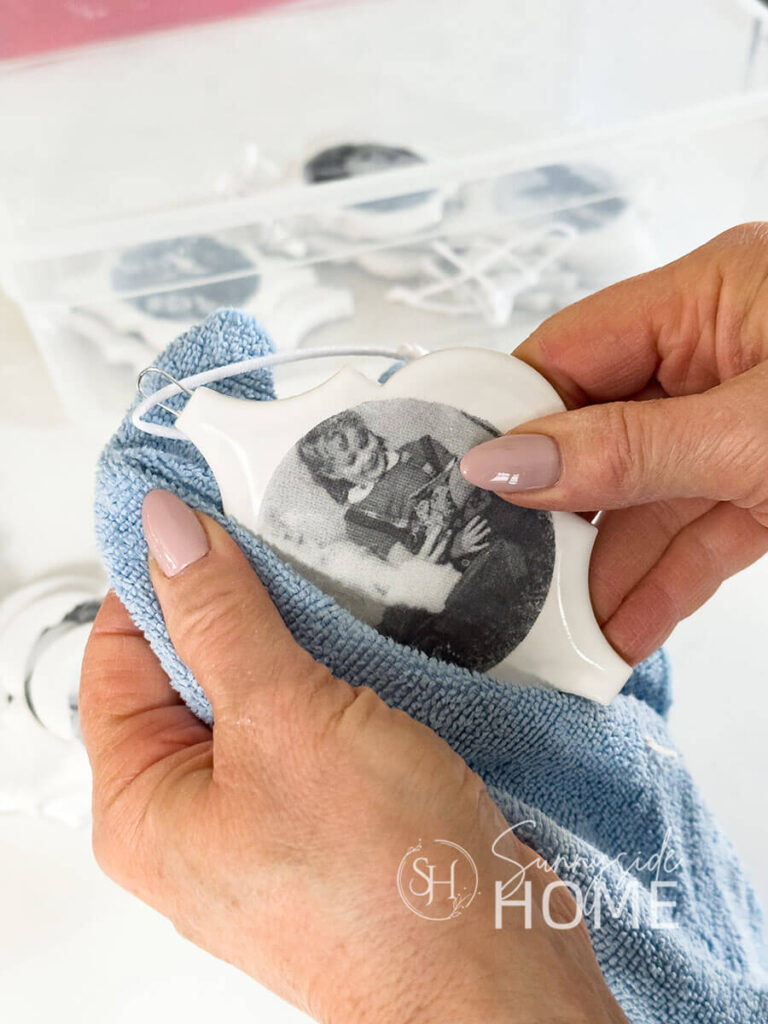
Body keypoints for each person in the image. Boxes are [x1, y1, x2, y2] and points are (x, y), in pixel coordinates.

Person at [80, 225, 768, 1022]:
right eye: (337, 449)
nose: (351, 442)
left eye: (354, 432)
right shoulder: (363, 525)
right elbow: (411, 571)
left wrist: (445, 987)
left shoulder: (424, 458)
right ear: (332, 478)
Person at [297, 408, 555, 670]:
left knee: (516, 507)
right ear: (334, 475)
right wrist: (457, 547)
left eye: (364, 441)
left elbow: (471, 483)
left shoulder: (422, 450)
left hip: (495, 515)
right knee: (481, 587)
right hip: (455, 564)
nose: (367, 456)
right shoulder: (360, 519)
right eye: (352, 460)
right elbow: (415, 565)